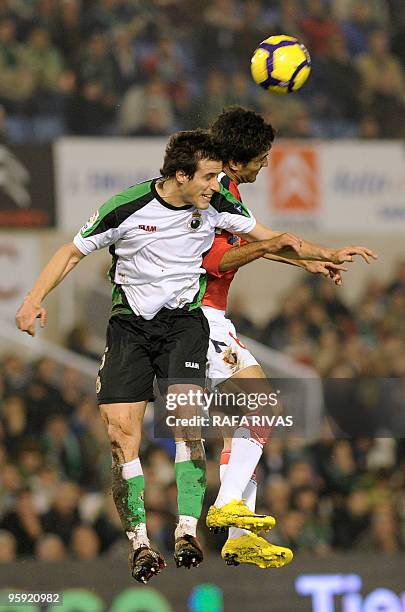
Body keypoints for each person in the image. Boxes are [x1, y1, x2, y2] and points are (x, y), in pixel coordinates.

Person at [15, 129, 303, 583]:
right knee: (120, 438)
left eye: (219, 175)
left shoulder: (215, 204)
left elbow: (270, 239)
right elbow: (71, 252)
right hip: (130, 330)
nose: (217, 183)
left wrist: (318, 256)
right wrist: (33, 299)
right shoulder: (127, 207)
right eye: (208, 175)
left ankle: (190, 529)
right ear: (181, 174)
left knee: (194, 423)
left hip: (184, 327)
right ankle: (141, 544)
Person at [201, 106, 377, 567]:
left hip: (207, 317)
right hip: (198, 316)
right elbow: (235, 253)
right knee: (262, 405)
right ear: (239, 160)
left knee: (242, 421)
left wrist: (307, 263)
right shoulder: (218, 191)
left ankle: (238, 530)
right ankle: (225, 507)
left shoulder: (221, 189)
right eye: (262, 157)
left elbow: (245, 245)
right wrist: (324, 252)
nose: (267, 164)